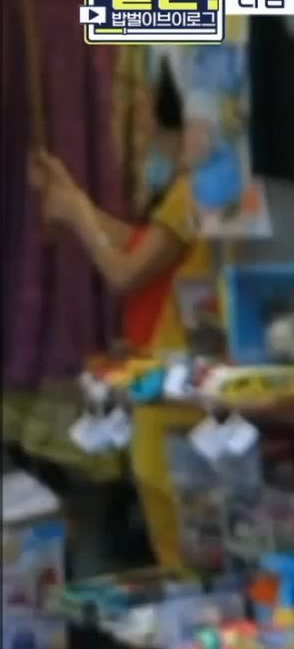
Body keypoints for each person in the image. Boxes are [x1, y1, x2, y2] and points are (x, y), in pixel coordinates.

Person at [27, 59, 216, 573]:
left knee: (182, 534)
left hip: (177, 390)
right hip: (173, 379)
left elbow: (125, 271)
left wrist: (76, 213)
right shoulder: (198, 192)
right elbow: (139, 244)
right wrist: (75, 202)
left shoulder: (192, 192)